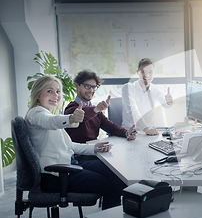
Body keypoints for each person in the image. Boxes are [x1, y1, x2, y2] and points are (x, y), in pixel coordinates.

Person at [25, 75, 126, 209]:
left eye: (58, 91)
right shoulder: (36, 113)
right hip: (56, 176)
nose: (55, 95)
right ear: (38, 93)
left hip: (68, 165)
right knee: (111, 184)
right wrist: (71, 118)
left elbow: (70, 145)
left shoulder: (48, 113)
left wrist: (94, 148)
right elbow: (50, 122)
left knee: (114, 171)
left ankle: (124, 213)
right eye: (49, 91)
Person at [64, 70, 137, 146]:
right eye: (87, 86)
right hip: (80, 154)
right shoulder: (71, 109)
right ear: (77, 85)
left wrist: (127, 133)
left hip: (95, 150)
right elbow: (82, 115)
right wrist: (96, 110)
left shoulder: (95, 111)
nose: (91, 90)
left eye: (93, 87)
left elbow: (110, 127)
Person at [122, 58, 174, 135]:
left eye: (150, 72)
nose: (147, 75)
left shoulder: (155, 90)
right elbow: (133, 111)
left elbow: (165, 104)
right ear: (138, 73)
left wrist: (169, 102)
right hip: (129, 133)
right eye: (143, 72)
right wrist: (147, 129)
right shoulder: (127, 88)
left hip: (148, 134)